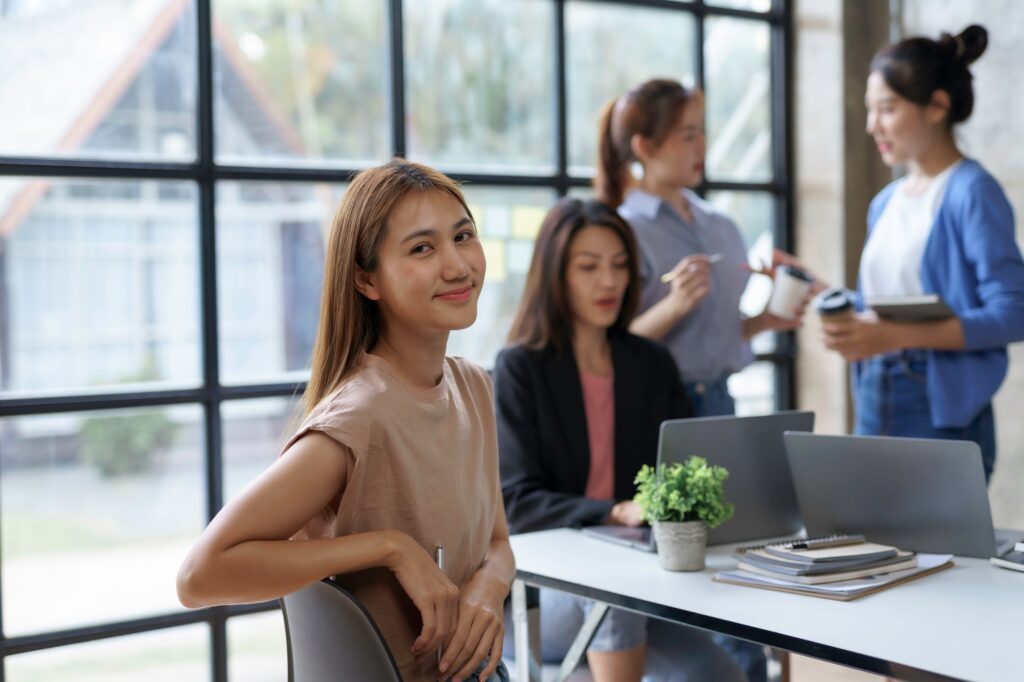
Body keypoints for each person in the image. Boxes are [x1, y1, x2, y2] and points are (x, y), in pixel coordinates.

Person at [176, 159, 514, 682]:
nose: (457, 265)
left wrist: (488, 591)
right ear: (366, 280)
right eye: (422, 248)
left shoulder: (473, 385)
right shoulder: (360, 415)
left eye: (463, 236)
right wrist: (391, 547)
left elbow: (498, 543)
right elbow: (199, 576)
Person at [494, 198, 744, 682]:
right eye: (588, 267)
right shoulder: (520, 368)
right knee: (614, 595)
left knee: (720, 674)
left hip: (638, 581)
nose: (608, 281)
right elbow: (514, 501)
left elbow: (684, 469)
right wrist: (614, 510)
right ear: (555, 275)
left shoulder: (651, 363)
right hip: (544, 595)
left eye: (619, 265)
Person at [821, 25, 1024, 483]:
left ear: (937, 106)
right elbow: (887, 307)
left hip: (939, 411)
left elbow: (1014, 313)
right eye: (871, 110)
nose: (872, 125)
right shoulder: (887, 201)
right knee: (870, 546)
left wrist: (894, 337)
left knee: (936, 553)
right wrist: (821, 294)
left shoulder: (972, 192)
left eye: (887, 109)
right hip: (875, 395)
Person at [594, 78, 810, 421]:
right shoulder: (621, 232)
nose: (703, 146)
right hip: (651, 404)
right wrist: (674, 306)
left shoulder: (721, 226)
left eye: (702, 133)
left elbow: (712, 335)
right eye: (688, 135)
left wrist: (763, 320)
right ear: (645, 147)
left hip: (722, 401)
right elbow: (607, 345)